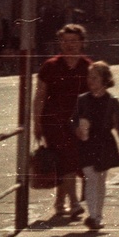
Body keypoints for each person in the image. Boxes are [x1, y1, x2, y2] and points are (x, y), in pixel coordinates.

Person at [34, 24, 93, 219]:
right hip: (54, 122)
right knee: (68, 159)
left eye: (74, 42)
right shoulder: (50, 66)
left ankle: (59, 204)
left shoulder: (88, 66)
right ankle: (74, 204)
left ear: (82, 43)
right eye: (66, 41)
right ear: (60, 43)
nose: (70, 46)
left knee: (68, 162)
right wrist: (37, 122)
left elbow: (95, 96)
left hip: (79, 123)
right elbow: (40, 95)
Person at [73, 61, 119, 230]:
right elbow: (73, 121)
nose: (90, 81)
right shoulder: (82, 100)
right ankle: (93, 216)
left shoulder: (112, 101)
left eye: (94, 78)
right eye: (89, 77)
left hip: (104, 142)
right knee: (91, 178)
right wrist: (78, 129)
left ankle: (97, 216)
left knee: (100, 181)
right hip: (86, 143)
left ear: (104, 80)